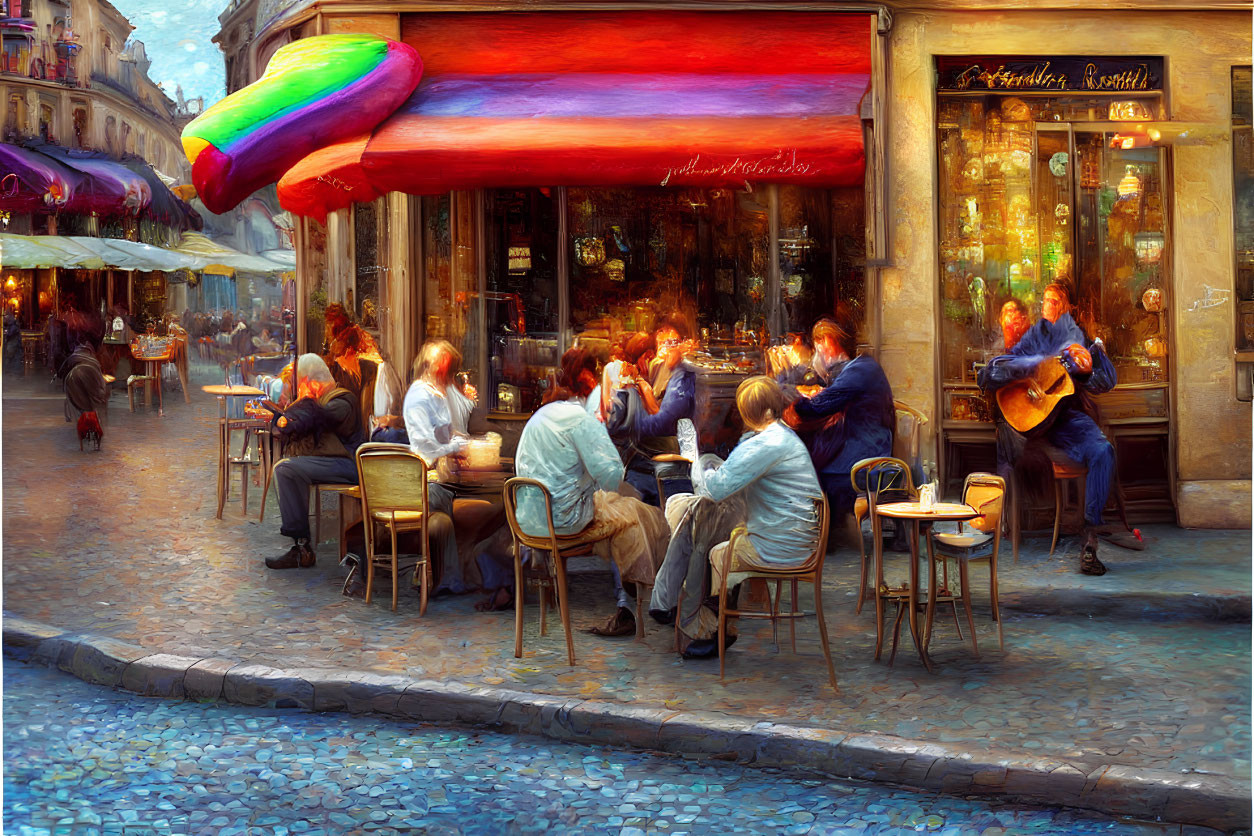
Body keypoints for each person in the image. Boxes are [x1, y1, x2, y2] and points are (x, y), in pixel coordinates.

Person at [650, 376, 823, 658]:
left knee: (710, 538)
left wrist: (702, 466)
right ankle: (672, 603)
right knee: (702, 518)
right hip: (790, 532)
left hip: (784, 543)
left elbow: (715, 488)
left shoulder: (767, 444)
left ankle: (716, 630)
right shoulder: (779, 436)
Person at [977, 281, 1135, 575]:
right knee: (1009, 447)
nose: (1047, 306)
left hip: (1065, 420)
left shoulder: (1081, 340)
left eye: (1054, 301)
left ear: (1067, 307)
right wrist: (1034, 367)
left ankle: (1089, 539)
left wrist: (1087, 371)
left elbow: (1106, 381)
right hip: (1030, 422)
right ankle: (1001, 526)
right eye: (1045, 300)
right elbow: (995, 369)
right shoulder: (1036, 334)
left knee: (1103, 451)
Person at [511, 347, 669, 637]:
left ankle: (629, 599)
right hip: (563, 521)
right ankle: (635, 597)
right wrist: (590, 469)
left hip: (528, 519)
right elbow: (610, 474)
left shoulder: (539, 417)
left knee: (619, 506)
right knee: (635, 513)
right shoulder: (581, 420)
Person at [783, 318, 894, 535]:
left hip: (867, 452)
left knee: (812, 465)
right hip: (862, 442)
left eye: (817, 348)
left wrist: (788, 395)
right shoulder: (860, 367)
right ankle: (828, 531)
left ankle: (826, 533)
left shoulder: (859, 371)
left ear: (829, 342)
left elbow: (817, 407)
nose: (816, 355)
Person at [266, 354, 364, 570]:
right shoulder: (322, 401)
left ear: (310, 382)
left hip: (349, 466)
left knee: (286, 469)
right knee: (288, 469)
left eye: (300, 385)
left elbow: (315, 417)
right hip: (333, 463)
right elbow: (291, 426)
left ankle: (301, 547)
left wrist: (296, 408)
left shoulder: (343, 401)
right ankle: (301, 547)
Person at [401, 340, 473, 595]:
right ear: (432, 367)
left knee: (481, 505)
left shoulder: (436, 394)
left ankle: (455, 574)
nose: (447, 376)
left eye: (450, 371)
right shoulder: (420, 396)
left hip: (438, 477)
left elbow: (447, 434)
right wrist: (456, 446)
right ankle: (451, 575)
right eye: (445, 371)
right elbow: (426, 447)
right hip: (424, 482)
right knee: (469, 507)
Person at [607, 318, 697, 506]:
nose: (665, 346)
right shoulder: (658, 364)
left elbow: (661, 420)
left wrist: (639, 386)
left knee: (616, 430)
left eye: (672, 342)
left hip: (669, 444)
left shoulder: (682, 375)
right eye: (662, 340)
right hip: (654, 442)